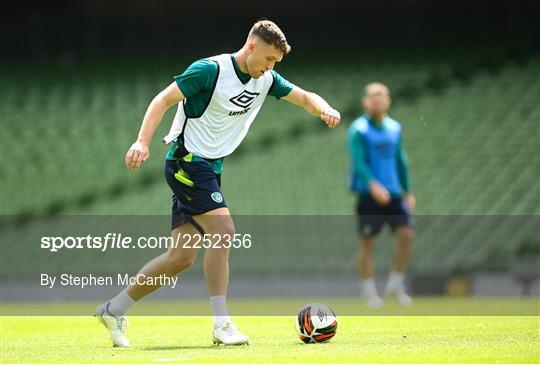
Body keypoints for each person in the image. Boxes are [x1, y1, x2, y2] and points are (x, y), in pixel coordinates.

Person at [95, 20, 341, 347]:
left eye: (276, 63)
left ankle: (114, 309)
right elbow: (162, 100)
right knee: (224, 231)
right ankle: (221, 324)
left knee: (180, 258)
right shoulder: (210, 70)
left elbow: (306, 97)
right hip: (188, 162)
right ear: (252, 46)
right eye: (269, 59)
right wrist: (142, 142)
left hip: (209, 167)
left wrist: (325, 109)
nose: (271, 67)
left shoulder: (265, 79)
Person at [347, 82, 415, 308]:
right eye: (373, 96)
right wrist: (373, 185)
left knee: (406, 235)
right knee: (368, 242)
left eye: (381, 95)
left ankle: (396, 282)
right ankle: (369, 290)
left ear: (388, 100)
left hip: (394, 193)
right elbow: (358, 162)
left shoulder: (395, 128)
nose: (377, 99)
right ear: (365, 101)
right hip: (369, 195)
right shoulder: (358, 129)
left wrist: (408, 190)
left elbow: (401, 160)